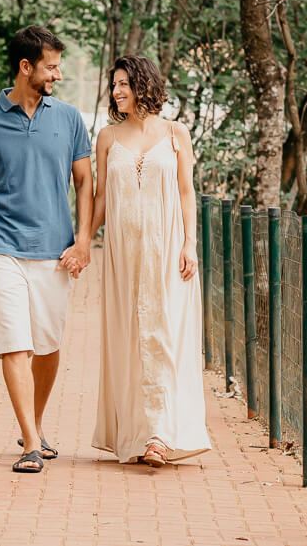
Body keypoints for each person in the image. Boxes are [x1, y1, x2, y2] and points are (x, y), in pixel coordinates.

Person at [0, 26, 93, 474]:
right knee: (15, 340)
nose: (58, 75)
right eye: (51, 67)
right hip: (1, 247)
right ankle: (30, 442)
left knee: (47, 345)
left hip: (54, 251)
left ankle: (36, 423)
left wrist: (84, 239)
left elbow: (85, 182)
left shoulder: (68, 119)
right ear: (26, 66)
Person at [89, 54, 211, 466]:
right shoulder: (107, 137)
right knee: (129, 337)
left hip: (168, 250)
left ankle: (160, 434)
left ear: (143, 85)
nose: (117, 91)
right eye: (114, 85)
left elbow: (186, 193)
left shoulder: (176, 133)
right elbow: (100, 198)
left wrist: (190, 244)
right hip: (123, 254)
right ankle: (138, 433)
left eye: (124, 83)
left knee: (162, 335)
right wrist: (82, 242)